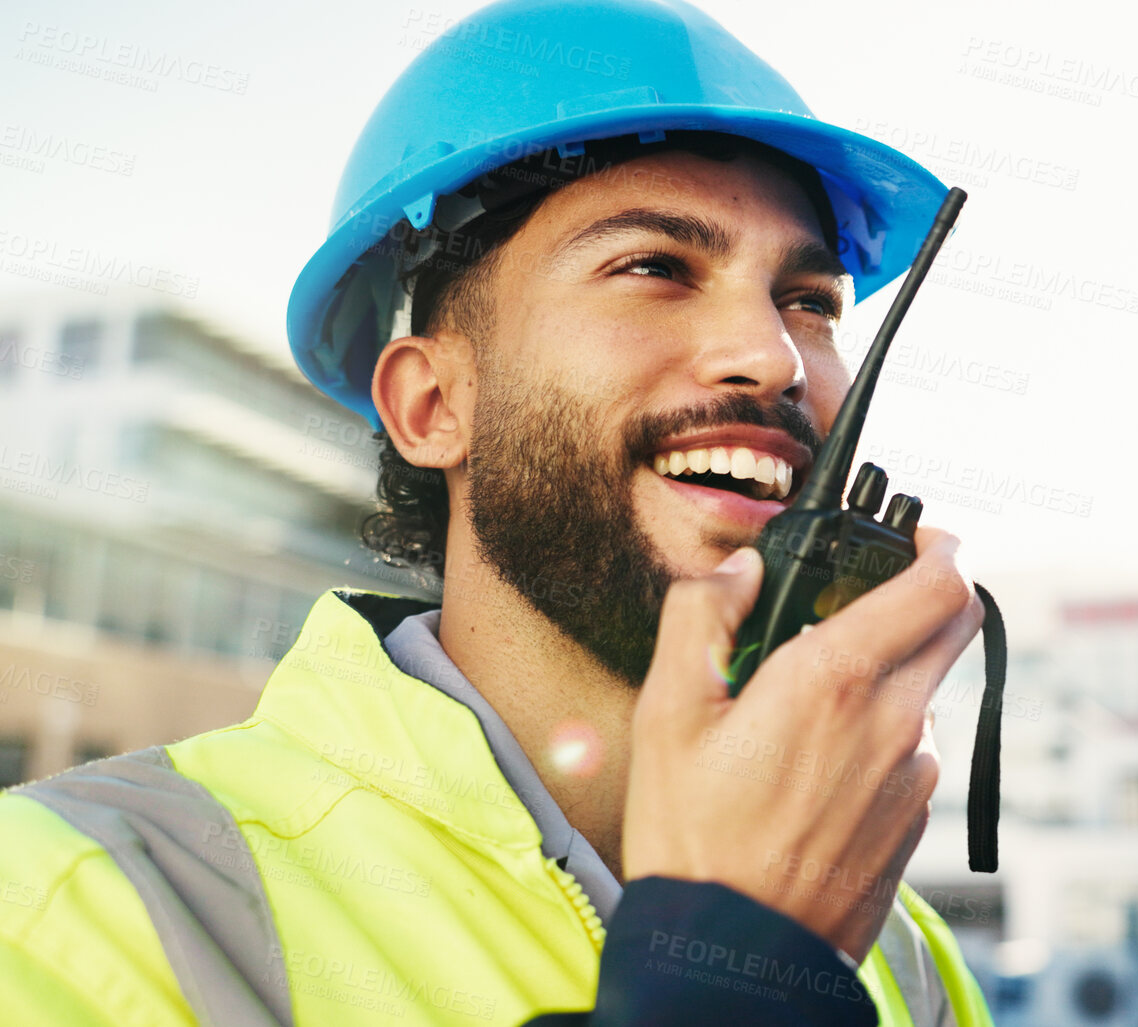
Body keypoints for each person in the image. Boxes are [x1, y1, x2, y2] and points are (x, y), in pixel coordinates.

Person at [0, 1, 994, 1024]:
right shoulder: (74, 909)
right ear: (434, 407)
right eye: (654, 266)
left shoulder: (900, 956)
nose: (774, 357)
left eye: (811, 302)